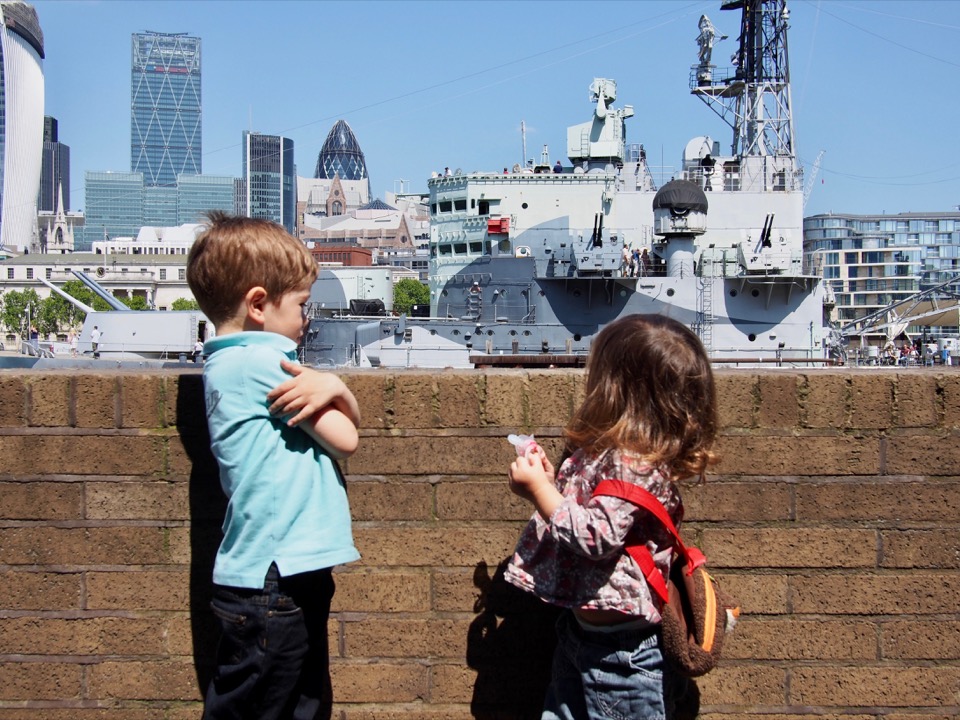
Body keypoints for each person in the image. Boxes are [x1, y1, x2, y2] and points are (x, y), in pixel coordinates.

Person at [186, 211, 362, 720]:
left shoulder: (224, 362)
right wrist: (339, 387)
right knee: (282, 706)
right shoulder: (268, 364)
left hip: (272, 571)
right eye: (302, 305)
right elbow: (346, 438)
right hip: (278, 577)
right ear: (259, 304)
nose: (308, 319)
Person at [504, 314, 719, 719]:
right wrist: (551, 482)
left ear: (617, 389)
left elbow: (595, 537)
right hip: (587, 635)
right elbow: (592, 510)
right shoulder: (613, 453)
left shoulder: (631, 463)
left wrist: (539, 491)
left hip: (622, 654)